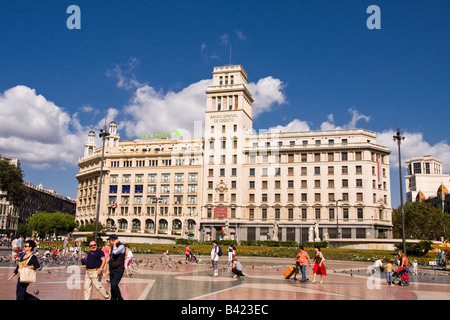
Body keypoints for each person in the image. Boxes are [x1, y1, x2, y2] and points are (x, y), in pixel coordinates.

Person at [107, 234, 126, 300]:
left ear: (113, 240)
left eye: (109, 240)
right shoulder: (113, 247)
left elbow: (115, 252)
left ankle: (120, 298)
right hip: (112, 268)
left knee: (114, 285)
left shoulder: (121, 246)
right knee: (112, 286)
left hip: (118, 268)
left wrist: (115, 244)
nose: (109, 242)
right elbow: (111, 258)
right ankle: (113, 298)